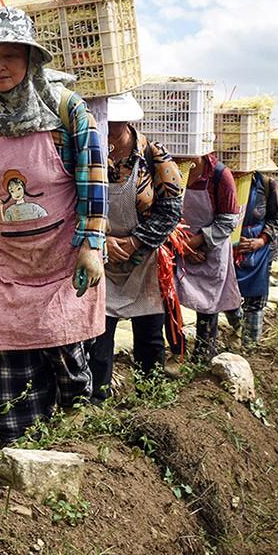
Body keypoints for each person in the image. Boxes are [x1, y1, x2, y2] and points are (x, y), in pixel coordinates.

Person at [0, 7, 106, 444]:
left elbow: (91, 178)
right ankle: (18, 451)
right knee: (11, 357)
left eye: (10, 55)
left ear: (31, 60)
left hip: (63, 257)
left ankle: (76, 438)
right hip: (6, 259)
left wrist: (91, 244)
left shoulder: (68, 112)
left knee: (66, 353)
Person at [85, 94, 184, 399]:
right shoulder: (88, 152)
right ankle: (96, 403)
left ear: (127, 121)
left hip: (144, 257)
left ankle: (149, 398)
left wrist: (135, 241)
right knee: (98, 337)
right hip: (99, 253)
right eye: (103, 122)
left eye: (113, 123)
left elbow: (171, 209)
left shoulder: (155, 156)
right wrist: (101, 239)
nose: (108, 128)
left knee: (150, 336)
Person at [174, 152, 242, 360]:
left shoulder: (219, 175)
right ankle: (176, 351)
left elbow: (229, 219)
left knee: (208, 302)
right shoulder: (167, 170)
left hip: (211, 246)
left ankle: (203, 353)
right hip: (178, 243)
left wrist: (197, 242)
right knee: (172, 295)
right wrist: (181, 246)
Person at [223, 171, 278, 343]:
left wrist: (260, 241)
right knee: (227, 297)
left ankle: (250, 348)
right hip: (230, 249)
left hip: (261, 250)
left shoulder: (265, 184)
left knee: (256, 302)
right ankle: (239, 328)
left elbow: (275, 218)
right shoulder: (223, 180)